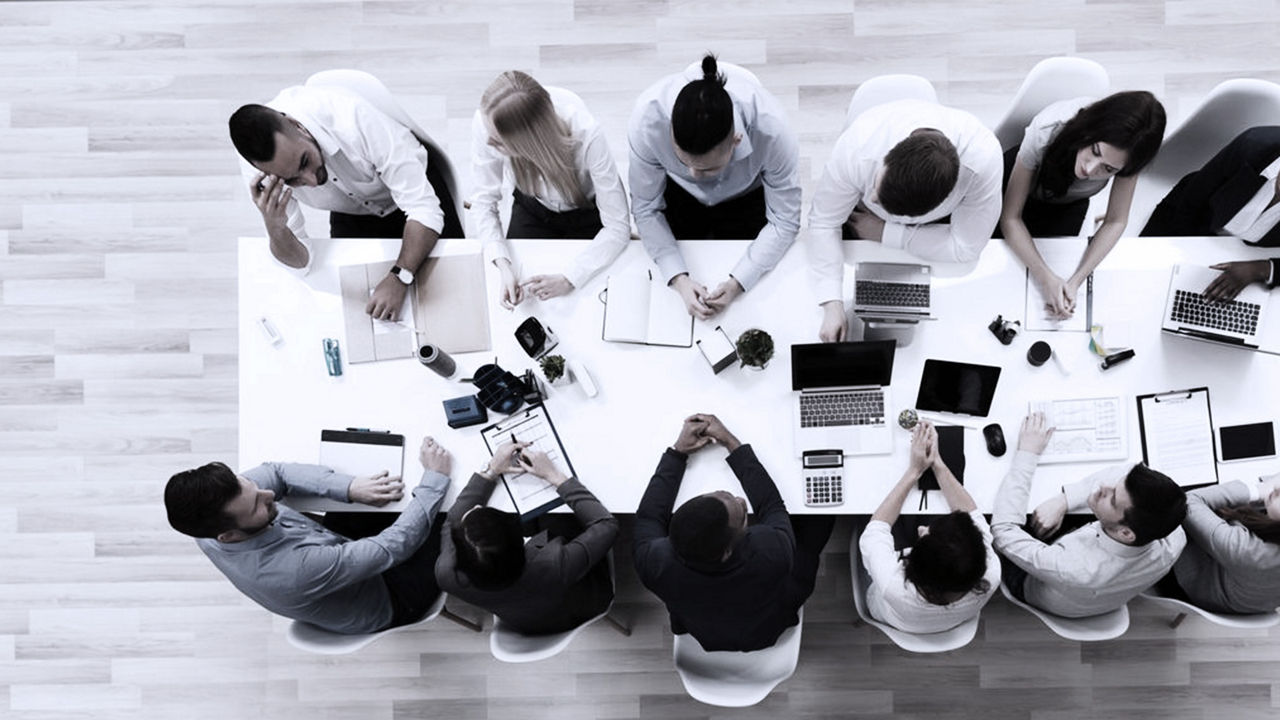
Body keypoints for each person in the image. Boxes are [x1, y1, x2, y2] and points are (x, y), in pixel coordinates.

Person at [163, 436, 451, 634]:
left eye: (251, 485)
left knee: (380, 490)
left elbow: (275, 473)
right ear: (228, 536)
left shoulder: (209, 521)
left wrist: (349, 487)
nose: (270, 495)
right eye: (256, 505)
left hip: (332, 547)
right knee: (450, 517)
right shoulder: (294, 570)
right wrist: (435, 477)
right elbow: (392, 548)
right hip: (391, 596)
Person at [228, 79, 464, 320]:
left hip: (413, 190)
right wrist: (275, 226)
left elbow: (424, 209)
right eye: (292, 181)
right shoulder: (260, 172)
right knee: (358, 315)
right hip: (352, 211)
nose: (311, 181)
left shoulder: (352, 117)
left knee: (455, 298)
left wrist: (399, 276)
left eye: (304, 161)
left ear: (297, 125)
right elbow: (301, 264)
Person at [633, 414, 834, 652]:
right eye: (741, 511)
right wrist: (730, 442)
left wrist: (678, 452)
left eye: (721, 494)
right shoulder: (771, 551)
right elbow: (771, 506)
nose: (740, 499)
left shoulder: (652, 562)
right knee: (821, 518)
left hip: (703, 629)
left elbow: (649, 517)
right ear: (728, 550)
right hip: (764, 631)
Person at [807, 98, 1002, 342]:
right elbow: (823, 222)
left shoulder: (983, 161)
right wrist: (831, 302)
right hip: (861, 219)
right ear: (889, 156)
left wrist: (885, 233)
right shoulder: (858, 146)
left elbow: (966, 248)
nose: (873, 197)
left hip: (922, 232)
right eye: (877, 187)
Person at [629, 55, 802, 320]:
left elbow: (785, 220)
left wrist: (737, 283)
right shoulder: (647, 121)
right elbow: (645, 208)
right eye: (682, 161)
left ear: (736, 140)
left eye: (707, 168)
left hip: (747, 198)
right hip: (677, 196)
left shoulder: (773, 130)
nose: (694, 176)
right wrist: (678, 279)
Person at [991, 413, 1187, 618]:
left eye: (1112, 499)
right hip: (1091, 589)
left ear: (1125, 533)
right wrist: (1063, 500)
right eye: (1117, 483)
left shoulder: (1072, 567)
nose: (1103, 485)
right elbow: (1127, 469)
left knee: (992, 521)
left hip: (1036, 584)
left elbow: (1003, 530)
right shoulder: (1174, 535)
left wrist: (1027, 453)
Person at [470, 71, 630, 309]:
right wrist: (503, 264)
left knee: (589, 299)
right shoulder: (488, 123)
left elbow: (617, 227)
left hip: (585, 213)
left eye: (499, 141)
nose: (488, 144)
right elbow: (483, 201)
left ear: (528, 142)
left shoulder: (587, 137)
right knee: (527, 296)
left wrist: (569, 278)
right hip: (532, 206)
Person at [1000, 92, 1166, 319]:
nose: (1090, 170)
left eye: (1108, 169)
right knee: (998, 262)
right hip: (1015, 186)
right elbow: (1010, 218)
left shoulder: (1130, 155)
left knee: (1052, 277)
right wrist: (1045, 277)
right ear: (1090, 130)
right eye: (1094, 151)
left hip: (1065, 206)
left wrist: (1077, 280)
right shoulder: (1048, 128)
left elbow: (1116, 221)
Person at [434, 441, 618, 634]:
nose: (476, 507)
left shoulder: (446, 573)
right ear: (521, 540)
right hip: (583, 604)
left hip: (523, 620)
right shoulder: (555, 563)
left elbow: (451, 522)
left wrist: (491, 470)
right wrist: (554, 475)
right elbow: (607, 525)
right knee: (558, 515)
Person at [859, 421, 1000, 633]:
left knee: (865, 511)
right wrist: (937, 464)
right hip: (948, 618)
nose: (922, 529)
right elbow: (973, 516)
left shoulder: (895, 587)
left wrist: (914, 471)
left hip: (890, 612)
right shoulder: (990, 572)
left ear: (912, 565)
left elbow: (876, 528)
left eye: (925, 536)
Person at [1142, 126, 1280, 301]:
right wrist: (1186, 258)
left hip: (1249, 257)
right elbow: (1192, 200)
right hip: (1191, 219)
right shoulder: (1254, 144)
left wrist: (1262, 269)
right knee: (1143, 282)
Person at [1159, 475, 1280, 614]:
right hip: (1252, 592)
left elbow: (1188, 502)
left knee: (1170, 498)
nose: (1277, 488)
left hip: (1187, 583)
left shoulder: (1250, 551)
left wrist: (1259, 491)